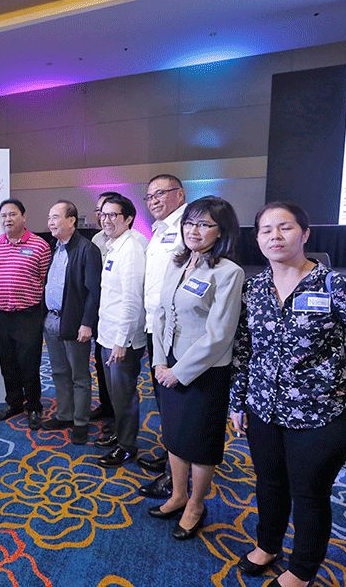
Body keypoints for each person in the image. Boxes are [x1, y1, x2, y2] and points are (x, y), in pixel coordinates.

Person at [230, 202, 346, 587]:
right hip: (264, 407)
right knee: (268, 483)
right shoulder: (255, 289)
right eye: (266, 230)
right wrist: (239, 401)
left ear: (305, 233)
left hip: (324, 415)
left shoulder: (339, 287)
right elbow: (244, 349)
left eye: (285, 228)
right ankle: (267, 546)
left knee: (309, 493)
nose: (275, 237)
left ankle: (301, 570)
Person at [147, 196, 244, 541]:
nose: (194, 230)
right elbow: (159, 315)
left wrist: (178, 371)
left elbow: (219, 335)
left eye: (204, 224)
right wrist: (160, 360)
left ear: (221, 232)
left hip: (203, 371)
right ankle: (177, 494)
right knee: (174, 434)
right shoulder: (177, 263)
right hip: (169, 363)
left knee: (200, 442)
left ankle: (196, 505)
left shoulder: (229, 272)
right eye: (190, 222)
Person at [0, 199, 51, 430]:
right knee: (7, 362)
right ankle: (14, 402)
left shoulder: (40, 246)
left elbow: (45, 281)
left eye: (12, 214)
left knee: (30, 364)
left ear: (24, 216)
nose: (7, 219)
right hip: (2, 316)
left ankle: (34, 406)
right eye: (3, 215)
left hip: (28, 315)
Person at [138, 173, 187, 497]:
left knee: (177, 406)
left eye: (161, 193)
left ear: (179, 195)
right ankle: (172, 458)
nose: (154, 200)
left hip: (178, 333)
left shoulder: (187, 228)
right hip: (156, 328)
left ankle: (176, 475)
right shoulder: (158, 231)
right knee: (164, 404)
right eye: (150, 196)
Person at [39, 200, 101, 445]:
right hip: (52, 321)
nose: (50, 222)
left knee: (79, 376)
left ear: (72, 221)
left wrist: (87, 323)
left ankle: (80, 421)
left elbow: (94, 291)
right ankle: (64, 415)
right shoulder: (55, 247)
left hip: (75, 324)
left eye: (55, 217)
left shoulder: (86, 249)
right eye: (49, 217)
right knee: (59, 372)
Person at [94, 194, 146, 468]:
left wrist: (122, 340)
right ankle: (121, 435)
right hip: (108, 334)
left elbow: (131, 299)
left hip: (121, 339)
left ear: (128, 219)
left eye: (114, 215)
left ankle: (127, 446)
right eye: (103, 214)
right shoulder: (113, 246)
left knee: (124, 395)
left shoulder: (131, 249)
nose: (107, 219)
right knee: (115, 394)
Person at [89, 192, 121, 424]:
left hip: (119, 314)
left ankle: (119, 421)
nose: (102, 216)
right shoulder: (96, 240)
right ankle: (106, 405)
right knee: (100, 363)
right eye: (99, 212)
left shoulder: (136, 242)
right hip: (99, 312)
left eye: (108, 212)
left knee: (120, 373)